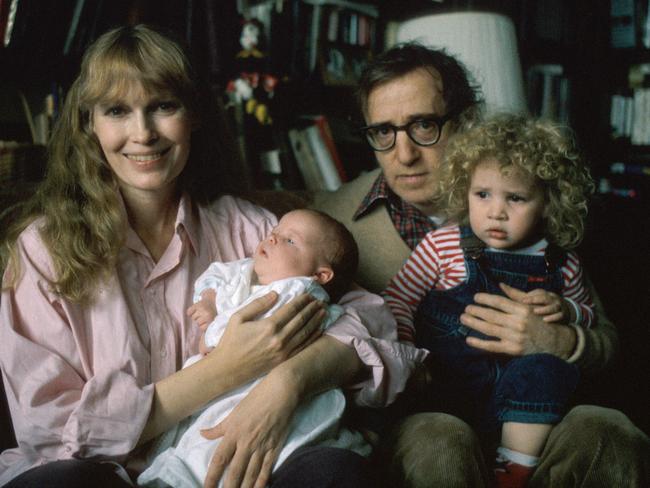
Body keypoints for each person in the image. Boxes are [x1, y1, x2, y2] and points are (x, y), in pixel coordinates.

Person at [0, 25, 426, 488]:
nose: (142, 134)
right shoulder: (44, 250)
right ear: (89, 123)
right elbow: (51, 434)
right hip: (103, 477)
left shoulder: (251, 230)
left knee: (337, 472)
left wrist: (292, 380)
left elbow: (376, 328)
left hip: (235, 471)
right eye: (117, 110)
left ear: (194, 115)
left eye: (164, 106)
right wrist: (226, 369)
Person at [311, 42, 650, 487]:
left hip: (536, 416)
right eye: (383, 132)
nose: (405, 154)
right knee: (439, 440)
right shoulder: (328, 225)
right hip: (434, 411)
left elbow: (607, 340)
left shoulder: (528, 210)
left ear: (465, 121)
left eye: (424, 126)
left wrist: (560, 337)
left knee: (608, 430)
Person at [383, 114, 595, 487]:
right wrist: (405, 349)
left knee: (547, 371)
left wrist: (568, 311)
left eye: (515, 198)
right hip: (450, 388)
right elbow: (397, 299)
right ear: (465, 190)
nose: (496, 212)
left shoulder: (562, 262)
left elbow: (588, 316)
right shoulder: (444, 245)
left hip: (527, 412)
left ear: (548, 203)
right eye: (483, 195)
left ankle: (513, 471)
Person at [139, 209, 370, 487]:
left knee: (210, 453)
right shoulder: (250, 278)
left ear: (320, 275)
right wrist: (211, 303)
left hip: (260, 389)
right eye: (274, 233)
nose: (272, 239)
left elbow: (242, 339)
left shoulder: (297, 292)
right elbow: (219, 279)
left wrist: (213, 331)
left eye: (289, 241)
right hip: (233, 387)